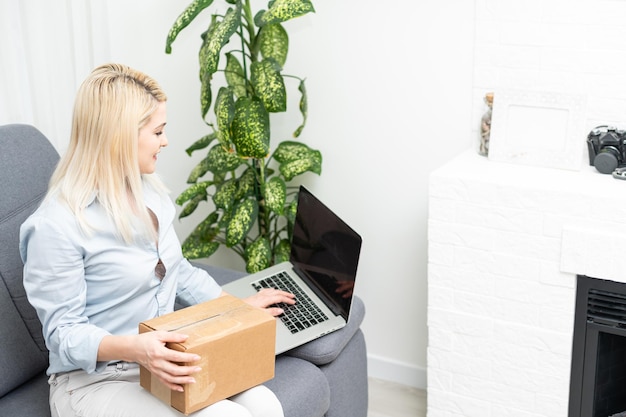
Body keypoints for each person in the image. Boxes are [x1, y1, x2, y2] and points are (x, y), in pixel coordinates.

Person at [19, 63, 295, 417]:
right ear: (119, 136)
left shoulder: (150, 192)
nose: (165, 141)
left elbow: (180, 272)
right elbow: (63, 334)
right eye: (158, 131)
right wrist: (139, 349)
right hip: (95, 380)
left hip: (159, 361)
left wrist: (237, 308)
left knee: (266, 405)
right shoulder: (56, 226)